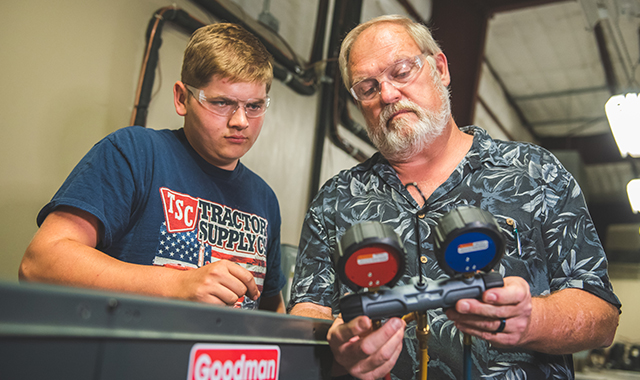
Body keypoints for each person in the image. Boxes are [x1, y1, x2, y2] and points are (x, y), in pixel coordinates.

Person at [288, 14, 621, 379]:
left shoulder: (535, 172)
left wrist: (533, 320)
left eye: (401, 72)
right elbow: (309, 312)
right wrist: (338, 347)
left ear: (440, 69)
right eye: (367, 87)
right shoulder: (336, 199)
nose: (387, 94)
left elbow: (601, 315)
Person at [19, 23, 286, 312]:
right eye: (222, 103)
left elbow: (272, 309)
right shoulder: (135, 153)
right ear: (182, 98)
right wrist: (176, 285)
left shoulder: (265, 199)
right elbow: (40, 263)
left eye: (255, 106)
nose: (240, 121)